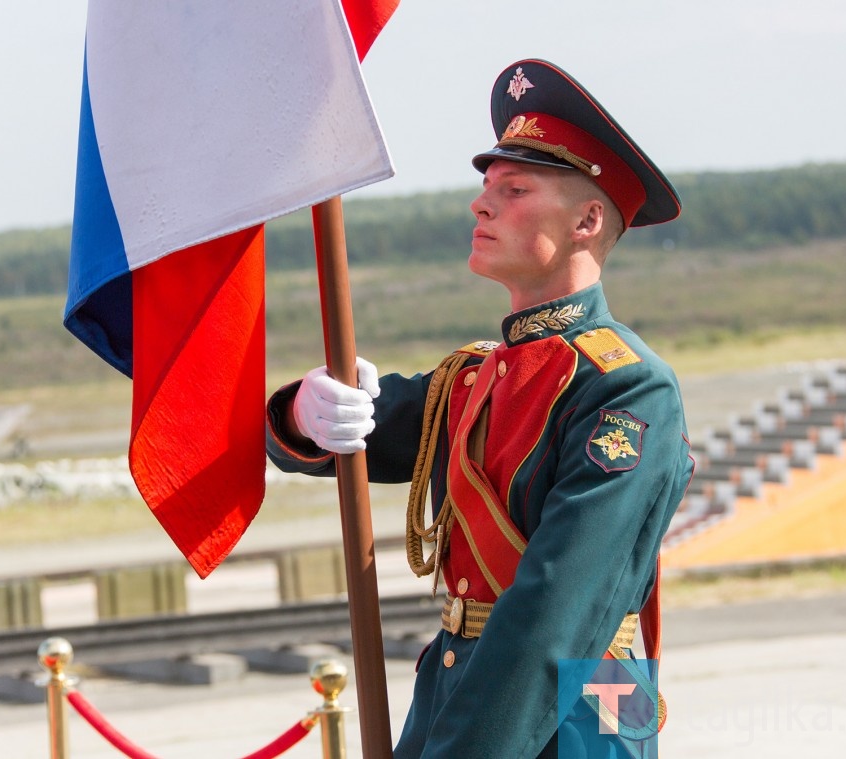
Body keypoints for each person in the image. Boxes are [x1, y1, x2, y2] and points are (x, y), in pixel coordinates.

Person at [266, 58, 694, 758]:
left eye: (514, 188)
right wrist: (305, 412)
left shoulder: (626, 389)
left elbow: (559, 607)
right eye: (487, 186)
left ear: (588, 219)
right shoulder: (471, 378)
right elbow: (354, 426)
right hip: (462, 701)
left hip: (571, 719)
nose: (481, 204)